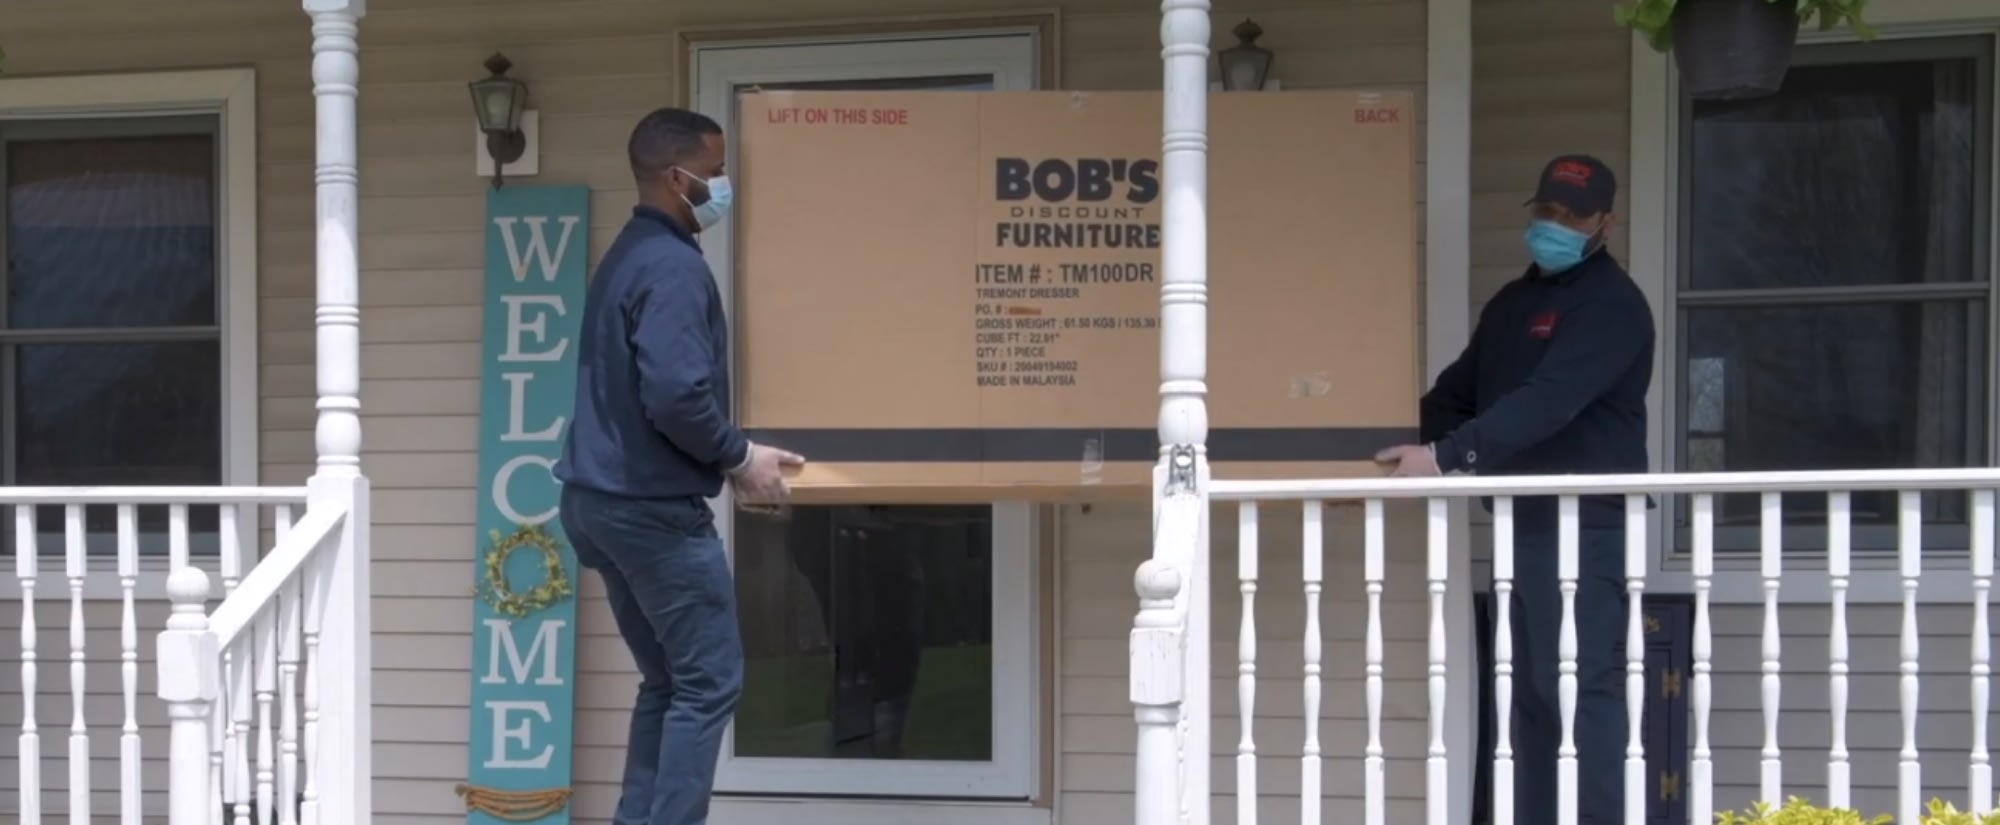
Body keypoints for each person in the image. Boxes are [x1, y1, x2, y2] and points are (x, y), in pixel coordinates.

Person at [1374, 154, 1654, 825]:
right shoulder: (1511, 305)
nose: (1556, 224)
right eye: (1547, 210)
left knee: (1580, 689)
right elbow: (1454, 398)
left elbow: (1549, 401)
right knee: (1529, 694)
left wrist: (1446, 457)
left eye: (1573, 214)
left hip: (1585, 522)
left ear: (1606, 222)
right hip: (1518, 520)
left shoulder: (1613, 305)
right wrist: (1360, 442)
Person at [555, 106, 804, 825]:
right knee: (709, 682)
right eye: (715, 171)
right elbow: (675, 394)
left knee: (668, 681)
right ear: (676, 178)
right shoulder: (672, 266)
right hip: (650, 511)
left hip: (597, 504)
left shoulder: (628, 254)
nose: (723, 184)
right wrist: (740, 456)